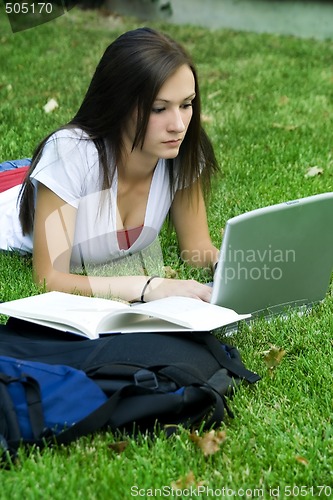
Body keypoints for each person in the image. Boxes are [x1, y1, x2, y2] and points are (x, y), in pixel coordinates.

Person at [0, 27, 220, 303]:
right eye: (159, 109)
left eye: (186, 104)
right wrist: (148, 287)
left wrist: (226, 265)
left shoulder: (182, 151)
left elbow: (196, 248)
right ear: (120, 104)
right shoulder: (68, 153)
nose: (178, 125)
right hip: (8, 187)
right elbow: (49, 279)